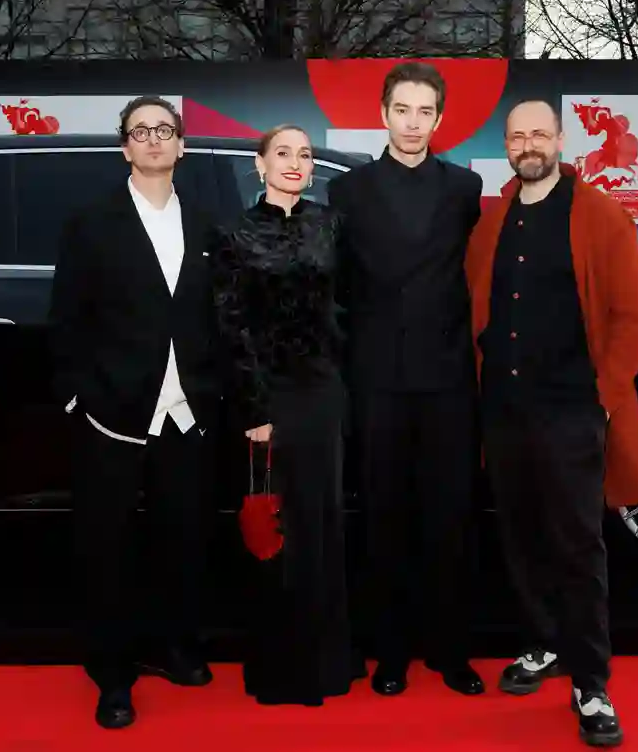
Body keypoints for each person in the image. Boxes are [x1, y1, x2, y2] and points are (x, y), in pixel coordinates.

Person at [465, 98, 638, 747]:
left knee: (577, 546)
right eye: (517, 136)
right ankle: (543, 642)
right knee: (521, 537)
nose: (528, 145)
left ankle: (591, 682)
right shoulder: (493, 221)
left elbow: (632, 316)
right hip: (504, 411)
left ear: (560, 139)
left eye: (539, 134)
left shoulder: (599, 214)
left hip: (572, 410)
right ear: (507, 146)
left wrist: (604, 397)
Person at [48, 96, 221, 730]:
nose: (153, 139)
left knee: (184, 539)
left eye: (164, 130)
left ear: (181, 145)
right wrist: (79, 397)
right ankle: (112, 674)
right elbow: (67, 317)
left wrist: (215, 390)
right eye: (140, 131)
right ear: (125, 147)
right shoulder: (91, 223)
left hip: (187, 414)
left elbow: (217, 317)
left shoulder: (206, 223)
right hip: (113, 414)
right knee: (108, 551)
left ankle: (176, 647)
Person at [325, 62, 485, 696]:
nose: (413, 123)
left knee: (450, 517)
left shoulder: (466, 189)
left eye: (425, 112)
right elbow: (338, 290)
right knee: (383, 518)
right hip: (376, 380)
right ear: (383, 114)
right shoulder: (348, 192)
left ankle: (451, 650)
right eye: (402, 110)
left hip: (448, 378)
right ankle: (389, 652)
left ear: (439, 119)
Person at [210, 124, 355, 706]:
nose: (296, 162)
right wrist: (255, 406)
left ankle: (328, 662)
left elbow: (344, 308)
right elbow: (231, 325)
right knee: (276, 525)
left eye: (305, 154)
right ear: (260, 163)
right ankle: (281, 668)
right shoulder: (234, 232)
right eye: (283, 153)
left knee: (324, 520)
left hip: (324, 392)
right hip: (269, 398)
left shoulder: (329, 225)